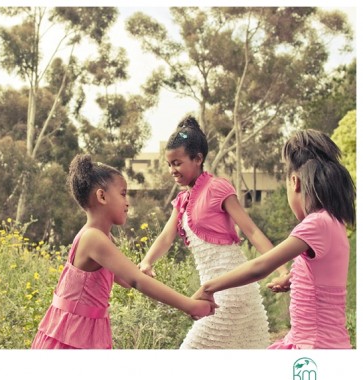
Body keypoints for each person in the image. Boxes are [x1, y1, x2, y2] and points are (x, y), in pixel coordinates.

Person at [31, 154, 217, 349]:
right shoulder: (93, 238)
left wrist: (140, 272)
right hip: (69, 336)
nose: (127, 203)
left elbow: (128, 280)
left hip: (85, 332)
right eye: (123, 194)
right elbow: (137, 281)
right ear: (102, 196)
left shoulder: (103, 238)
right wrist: (190, 305)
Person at [194, 129, 356, 349]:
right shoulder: (334, 222)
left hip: (312, 348)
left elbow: (259, 266)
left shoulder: (315, 224)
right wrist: (292, 279)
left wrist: (209, 287)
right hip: (327, 344)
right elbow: (323, 277)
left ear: (294, 181)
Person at [139, 115, 286, 349]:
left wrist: (283, 269)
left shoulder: (217, 187)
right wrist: (147, 262)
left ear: (198, 158)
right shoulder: (182, 201)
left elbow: (252, 231)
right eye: (169, 164)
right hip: (214, 294)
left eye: (177, 163)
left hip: (233, 293)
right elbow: (166, 237)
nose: (172, 170)